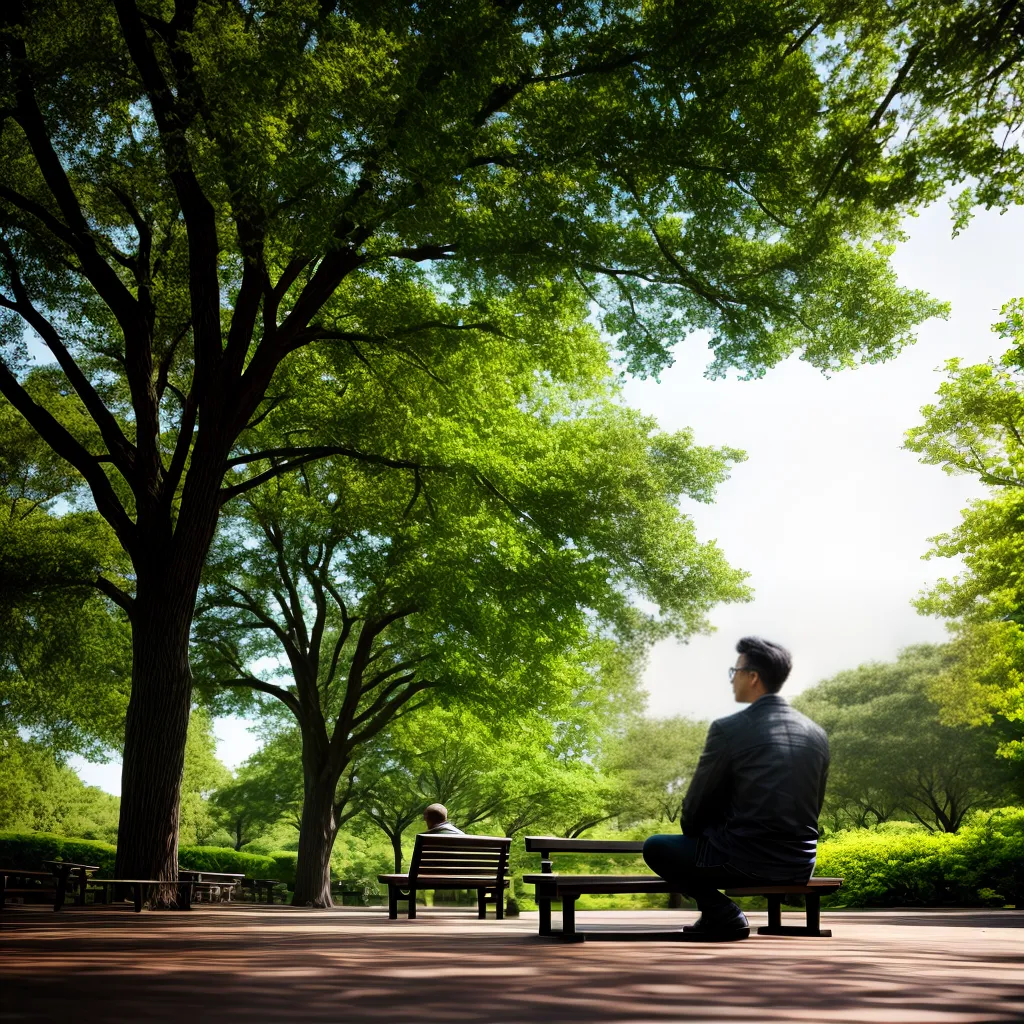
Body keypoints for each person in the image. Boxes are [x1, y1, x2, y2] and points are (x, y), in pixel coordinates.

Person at [643, 636, 829, 941]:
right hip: (800, 862)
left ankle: (722, 911)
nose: (733, 679)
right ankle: (723, 910)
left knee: (656, 846)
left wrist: (705, 830)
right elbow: (813, 805)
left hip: (745, 859)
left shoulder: (728, 729)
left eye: (735, 671)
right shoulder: (817, 734)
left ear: (753, 677)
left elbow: (694, 810)